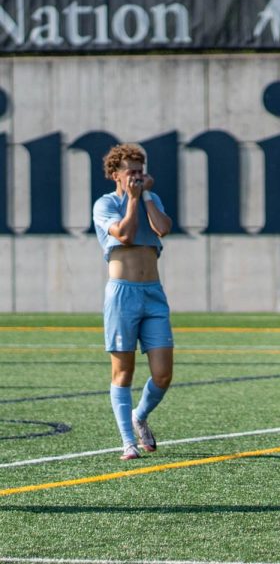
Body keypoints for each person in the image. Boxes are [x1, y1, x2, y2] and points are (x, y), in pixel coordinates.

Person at [92, 143, 174, 461]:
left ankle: (139, 415)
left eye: (141, 171)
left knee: (163, 373)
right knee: (123, 371)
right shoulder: (105, 204)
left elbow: (163, 229)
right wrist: (133, 200)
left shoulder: (151, 199)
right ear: (116, 175)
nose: (137, 176)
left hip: (153, 293)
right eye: (131, 171)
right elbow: (125, 234)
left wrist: (147, 198)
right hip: (122, 295)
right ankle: (128, 441)